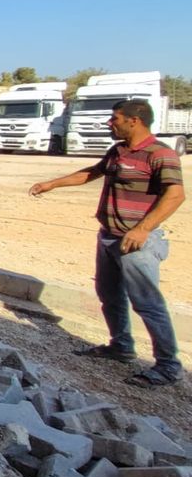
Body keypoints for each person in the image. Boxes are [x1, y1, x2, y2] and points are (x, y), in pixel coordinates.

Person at [29, 99, 185, 387]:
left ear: (134, 120)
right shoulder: (118, 151)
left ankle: (167, 365)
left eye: (115, 119)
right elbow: (92, 172)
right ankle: (121, 347)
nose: (109, 123)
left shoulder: (159, 154)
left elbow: (175, 195)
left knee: (147, 303)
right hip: (109, 236)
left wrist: (142, 230)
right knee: (109, 295)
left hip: (136, 243)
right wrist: (51, 184)